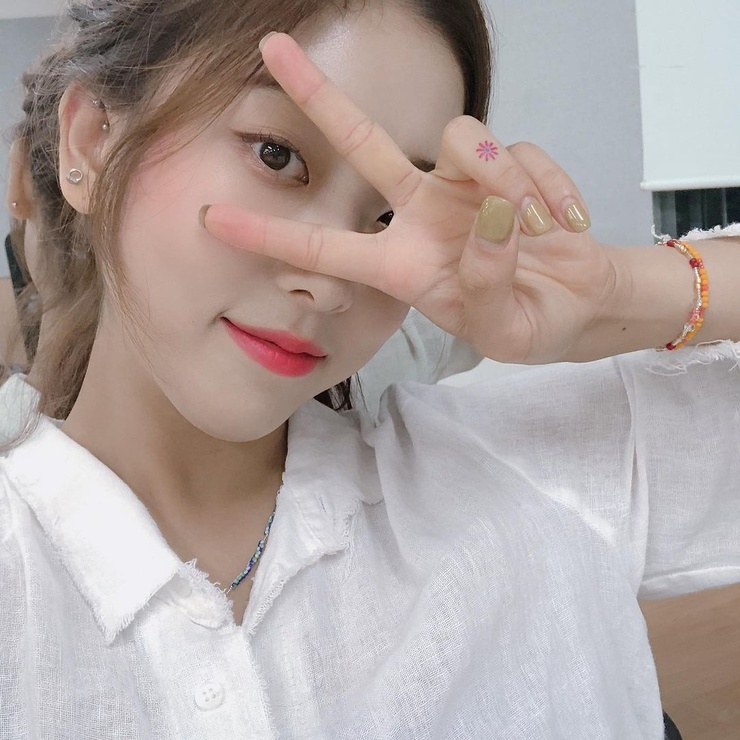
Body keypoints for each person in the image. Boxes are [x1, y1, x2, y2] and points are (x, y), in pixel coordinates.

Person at [1, 2, 739, 739]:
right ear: (93, 141)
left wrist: (618, 293)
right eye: (276, 156)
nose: (330, 285)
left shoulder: (523, 480)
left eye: (388, 215)